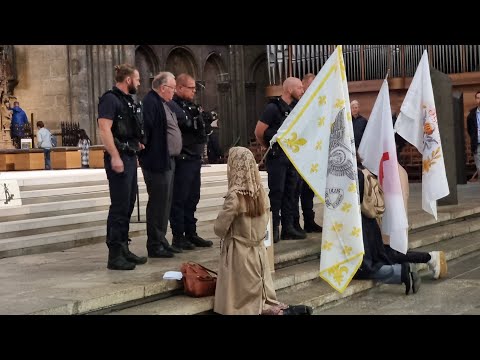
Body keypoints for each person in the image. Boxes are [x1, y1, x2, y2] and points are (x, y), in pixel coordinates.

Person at [213, 147, 312, 315]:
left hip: (239, 252)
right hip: (258, 250)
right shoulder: (261, 194)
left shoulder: (235, 196)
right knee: (259, 291)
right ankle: (280, 310)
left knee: (242, 302)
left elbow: (219, 229)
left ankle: (280, 313)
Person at [97, 64, 147, 271]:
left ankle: (124, 248)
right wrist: (115, 156)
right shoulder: (110, 99)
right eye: (137, 79)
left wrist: (135, 147)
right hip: (118, 157)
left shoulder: (126, 100)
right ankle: (114, 254)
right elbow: (104, 128)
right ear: (128, 80)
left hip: (128, 156)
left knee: (128, 204)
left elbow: (127, 128)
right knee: (119, 206)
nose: (139, 83)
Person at [355, 164, 421, 295]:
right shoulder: (364, 170)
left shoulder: (352, 175)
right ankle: (414, 264)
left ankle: (401, 272)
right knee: (376, 260)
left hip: (360, 229)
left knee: (362, 268)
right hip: (370, 227)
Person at [254, 77, 306, 243]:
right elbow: (259, 131)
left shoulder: (297, 108)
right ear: (289, 89)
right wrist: (267, 146)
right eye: (299, 88)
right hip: (277, 157)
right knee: (277, 193)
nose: (302, 91)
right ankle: (274, 228)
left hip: (293, 156)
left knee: (291, 193)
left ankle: (288, 228)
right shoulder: (273, 107)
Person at [139, 72, 183, 258]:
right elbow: (145, 130)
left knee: (165, 203)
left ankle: (162, 240)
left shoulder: (162, 103)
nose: (174, 92)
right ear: (163, 88)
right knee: (158, 203)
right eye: (172, 88)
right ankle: (155, 244)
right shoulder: (150, 102)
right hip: (156, 162)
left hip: (167, 160)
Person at [167, 74, 213, 250]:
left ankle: (191, 233)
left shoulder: (192, 106)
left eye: (195, 88)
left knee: (193, 197)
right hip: (183, 158)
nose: (194, 91)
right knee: (180, 198)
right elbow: (184, 125)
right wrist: (193, 121)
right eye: (191, 88)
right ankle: (178, 236)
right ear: (179, 87)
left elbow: (200, 128)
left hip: (194, 157)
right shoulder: (173, 105)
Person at [296, 73, 322, 233]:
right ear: (304, 85)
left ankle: (309, 221)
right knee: (295, 191)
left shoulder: (315, 104)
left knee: (308, 190)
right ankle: (294, 224)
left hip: (312, 151)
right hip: (298, 153)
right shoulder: (297, 104)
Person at [466, 91, 480, 182]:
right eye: (478, 98)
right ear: (475, 99)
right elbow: (470, 130)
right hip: (477, 144)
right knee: (479, 167)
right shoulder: (471, 115)